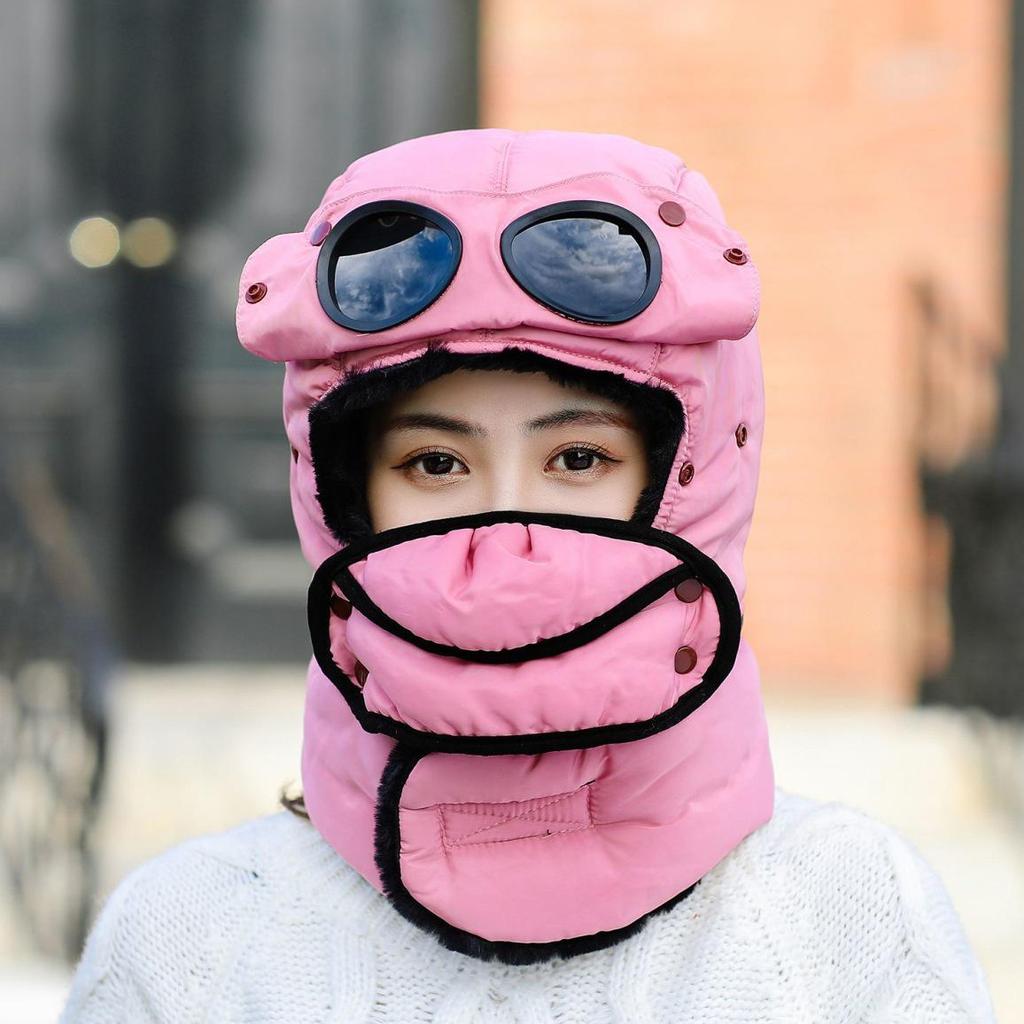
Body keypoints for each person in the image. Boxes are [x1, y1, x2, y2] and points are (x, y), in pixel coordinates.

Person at [59, 128, 998, 1022]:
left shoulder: (850, 920)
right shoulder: (186, 938)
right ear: (340, 495)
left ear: (694, 479)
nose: (506, 534)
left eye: (579, 460)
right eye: (435, 463)